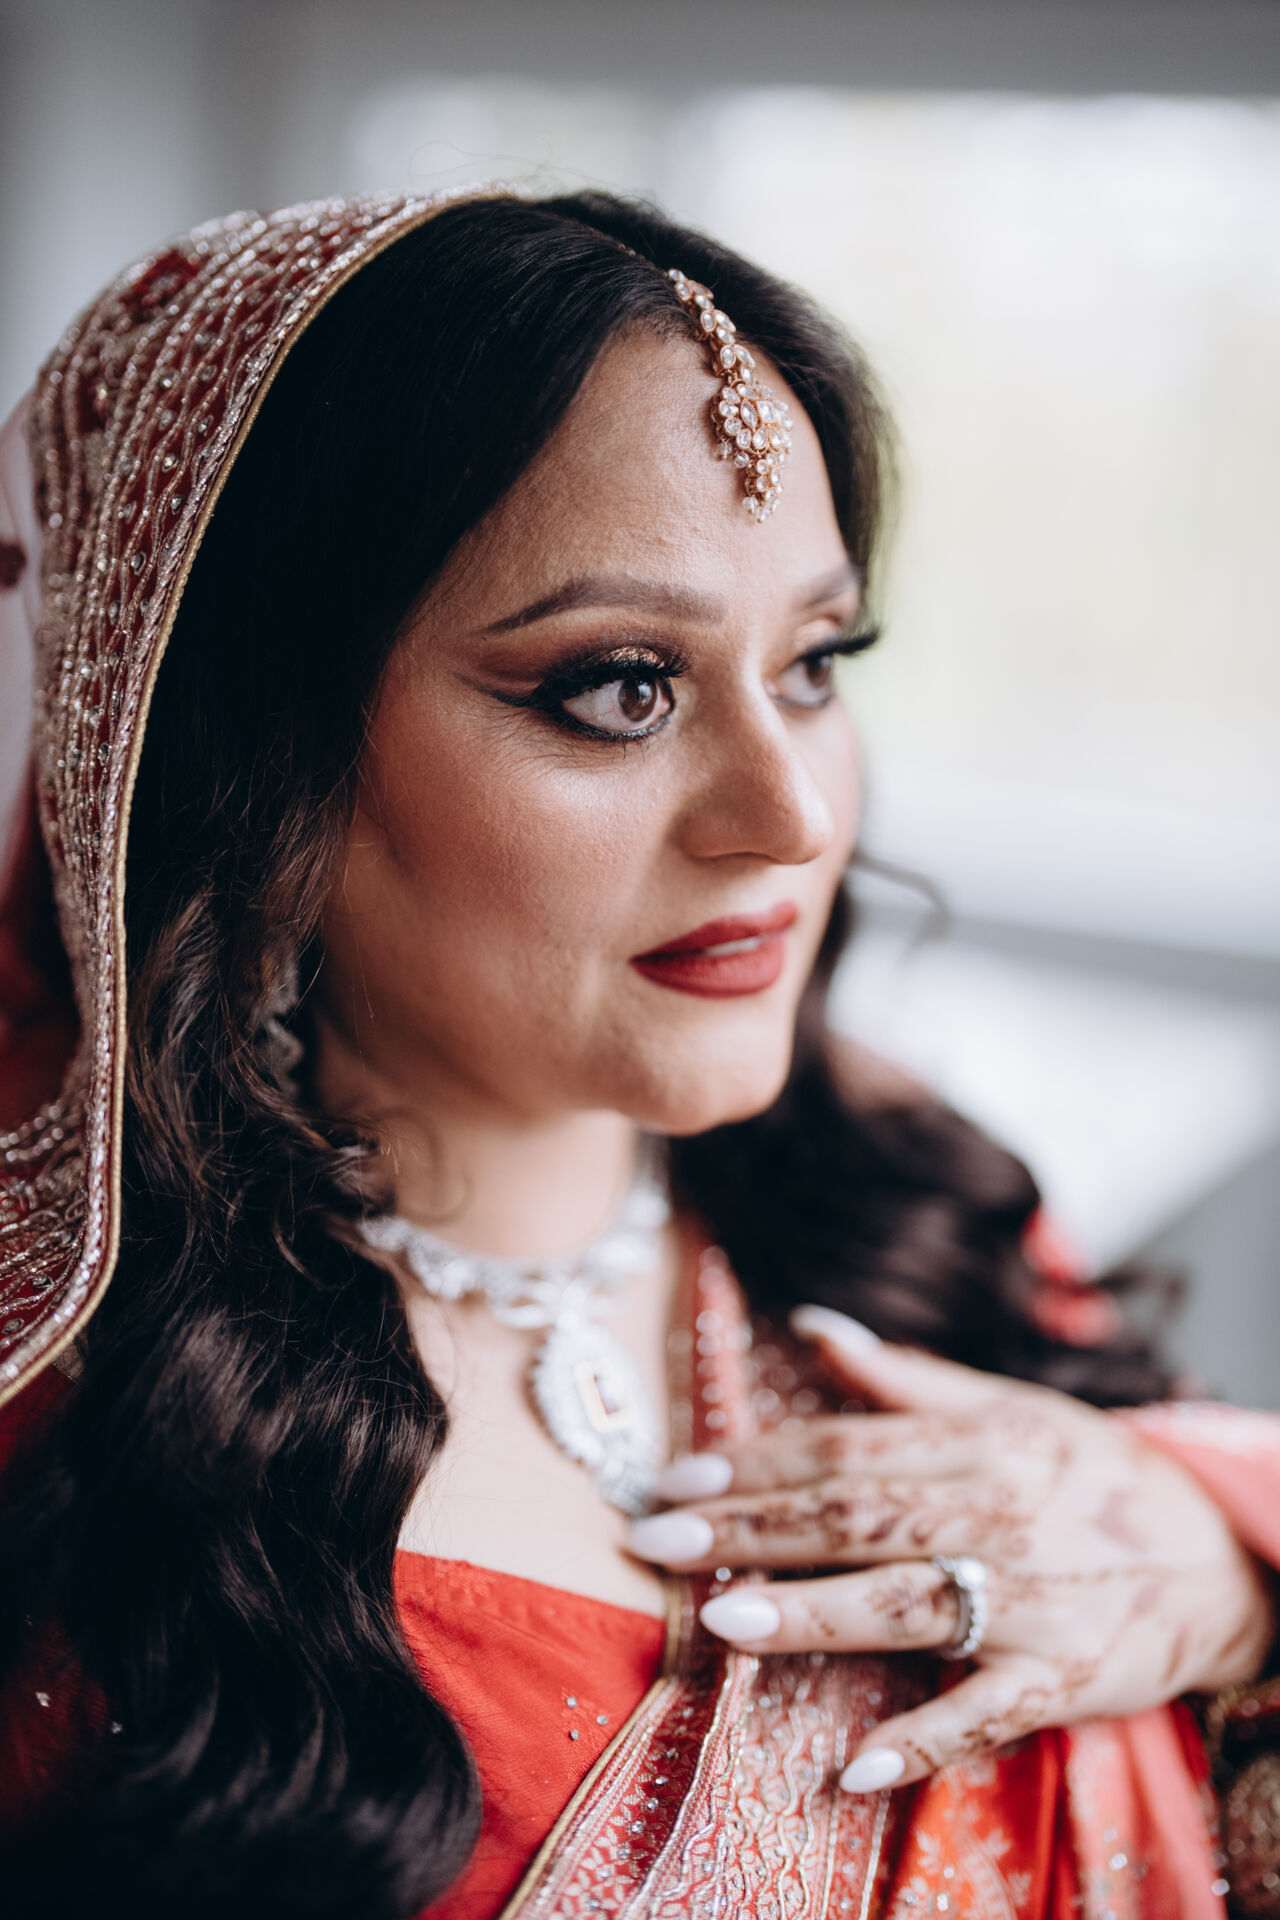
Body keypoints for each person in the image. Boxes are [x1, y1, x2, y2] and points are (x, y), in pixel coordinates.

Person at [0, 187, 1276, 1920]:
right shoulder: (83, 1462)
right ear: (251, 761)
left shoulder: (902, 1206)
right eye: (620, 688)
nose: (792, 813)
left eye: (815, 663)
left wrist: (1225, 1560)